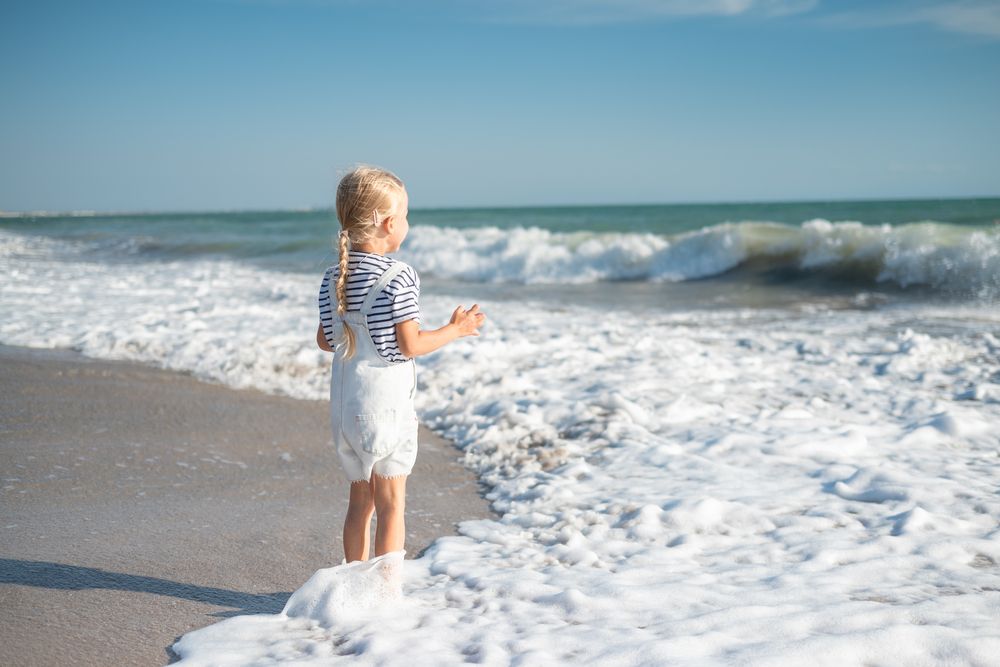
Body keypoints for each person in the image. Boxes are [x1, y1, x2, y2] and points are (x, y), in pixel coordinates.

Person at [316, 165, 486, 564]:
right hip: (383, 411)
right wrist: (456, 329)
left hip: (344, 411)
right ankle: (386, 594)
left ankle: (352, 583)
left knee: (361, 502)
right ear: (391, 223)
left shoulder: (332, 277)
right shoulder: (399, 275)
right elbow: (409, 345)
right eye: (406, 215)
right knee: (392, 505)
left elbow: (327, 339)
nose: (407, 223)